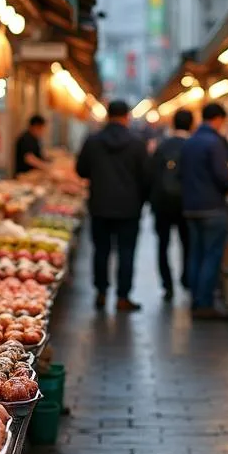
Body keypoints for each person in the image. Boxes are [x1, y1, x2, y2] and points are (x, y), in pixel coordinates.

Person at [75, 99, 149, 313]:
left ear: (107, 116)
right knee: (127, 251)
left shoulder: (93, 141)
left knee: (101, 251)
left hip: (100, 205)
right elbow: (146, 177)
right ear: (127, 116)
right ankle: (123, 297)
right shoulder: (137, 143)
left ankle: (101, 292)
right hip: (129, 208)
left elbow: (81, 170)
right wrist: (140, 201)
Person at [182, 102, 228, 319]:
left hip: (191, 207)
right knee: (212, 255)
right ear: (218, 119)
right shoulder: (214, 143)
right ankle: (205, 303)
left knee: (196, 253)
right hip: (212, 207)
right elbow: (222, 176)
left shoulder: (190, 141)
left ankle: (195, 298)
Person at [149, 108, 192, 300]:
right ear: (191, 124)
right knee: (187, 243)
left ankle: (167, 285)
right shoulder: (192, 146)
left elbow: (151, 174)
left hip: (162, 204)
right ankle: (186, 279)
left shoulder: (162, 145)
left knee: (163, 245)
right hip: (185, 203)